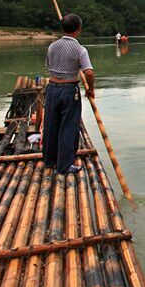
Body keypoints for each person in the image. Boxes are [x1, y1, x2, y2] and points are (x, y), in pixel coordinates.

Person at [43, 13, 95, 175]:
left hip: (52, 89)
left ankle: (49, 161)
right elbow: (89, 72)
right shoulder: (80, 49)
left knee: (51, 125)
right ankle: (64, 166)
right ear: (79, 29)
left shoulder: (52, 46)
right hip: (68, 90)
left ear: (62, 28)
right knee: (68, 127)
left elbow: (49, 66)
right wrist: (90, 90)